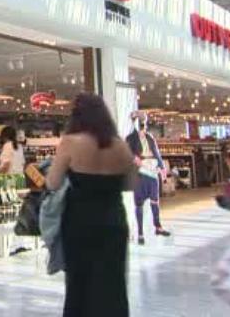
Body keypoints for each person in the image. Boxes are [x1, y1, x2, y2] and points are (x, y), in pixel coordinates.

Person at [46, 94, 135, 317]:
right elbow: (131, 184)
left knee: (79, 285)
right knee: (113, 284)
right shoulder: (120, 145)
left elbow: (52, 182)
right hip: (114, 221)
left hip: (79, 222)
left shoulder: (70, 142)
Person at [126, 111, 171, 244]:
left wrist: (162, 168)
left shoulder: (150, 137)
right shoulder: (130, 138)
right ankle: (140, 233)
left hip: (152, 171)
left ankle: (158, 227)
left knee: (155, 200)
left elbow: (157, 153)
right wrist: (134, 158)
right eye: (140, 122)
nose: (143, 125)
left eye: (144, 123)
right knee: (139, 203)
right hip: (139, 173)